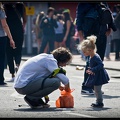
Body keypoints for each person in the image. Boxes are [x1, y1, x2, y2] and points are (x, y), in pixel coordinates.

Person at [76, 2, 116, 95]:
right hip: (90, 36)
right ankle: (86, 87)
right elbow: (79, 19)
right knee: (90, 61)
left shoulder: (103, 3)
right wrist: (81, 35)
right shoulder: (83, 4)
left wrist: (110, 27)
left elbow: (108, 15)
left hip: (102, 35)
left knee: (99, 61)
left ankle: (95, 87)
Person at [80, 35, 110, 107]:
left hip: (99, 75)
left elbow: (101, 65)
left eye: (84, 52)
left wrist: (93, 69)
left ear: (90, 50)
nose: (84, 53)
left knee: (97, 89)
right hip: (96, 75)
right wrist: (90, 69)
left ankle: (99, 102)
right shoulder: (92, 56)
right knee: (96, 89)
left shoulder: (95, 57)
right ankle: (98, 101)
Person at [3, 2, 27, 81]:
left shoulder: (5, 6)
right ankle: (17, 65)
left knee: (9, 52)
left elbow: (4, 21)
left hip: (9, 31)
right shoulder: (21, 5)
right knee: (18, 49)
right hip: (19, 30)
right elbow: (25, 19)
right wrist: (23, 27)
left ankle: (12, 74)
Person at [0, 2, 15, 85]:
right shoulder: (1, 10)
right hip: (1, 36)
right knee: (1, 58)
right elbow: (4, 25)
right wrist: (11, 38)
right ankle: (0, 79)